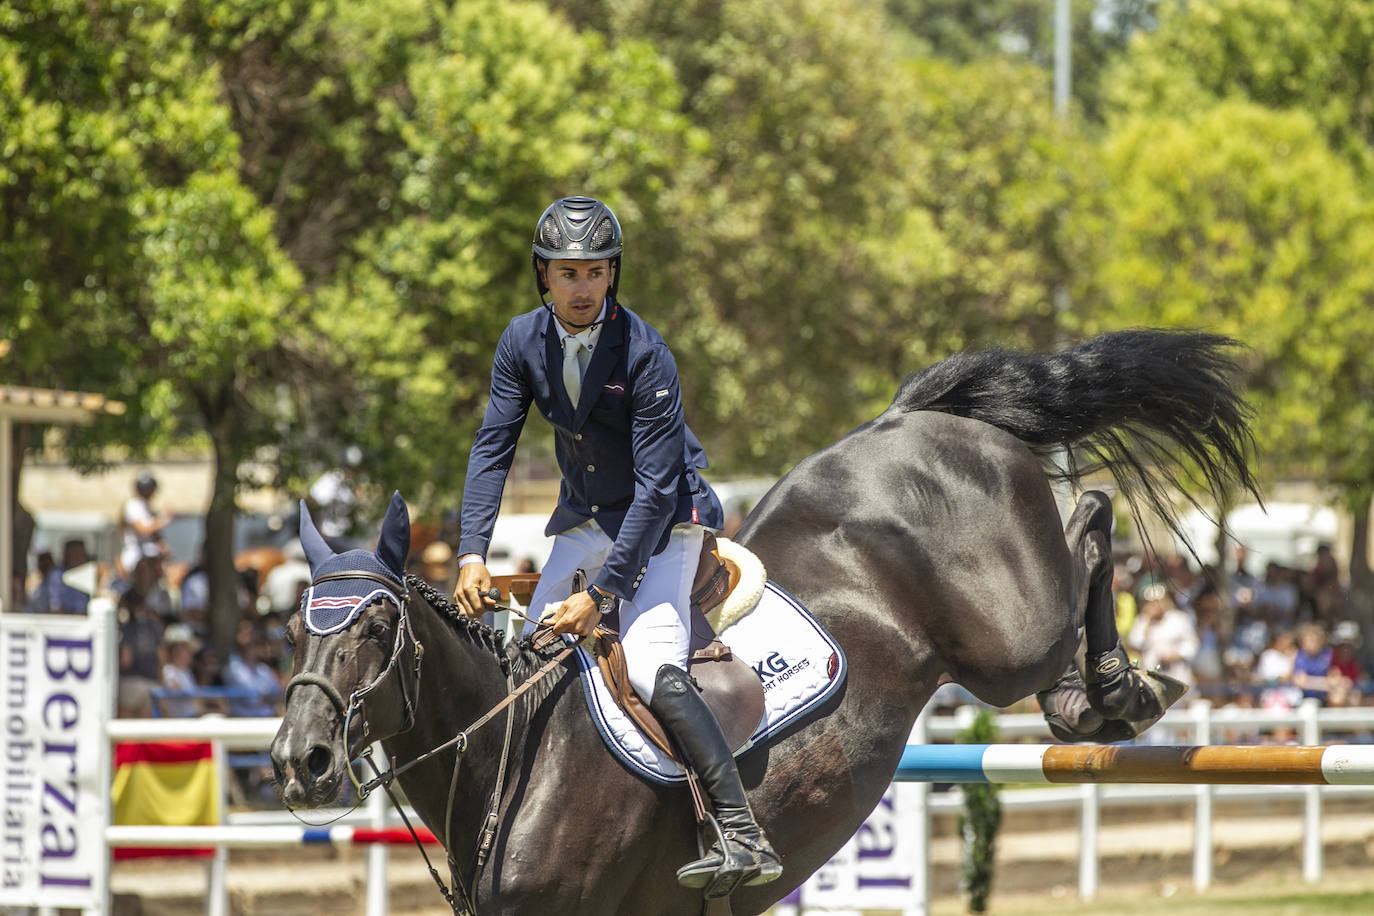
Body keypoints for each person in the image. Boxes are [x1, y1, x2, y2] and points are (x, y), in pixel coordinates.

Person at [453, 197, 779, 898]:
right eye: (567, 272)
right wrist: (470, 553)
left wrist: (600, 600)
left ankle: (737, 828)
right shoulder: (520, 342)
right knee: (530, 659)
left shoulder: (644, 350)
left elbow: (659, 489)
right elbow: (492, 450)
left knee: (653, 660)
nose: (581, 288)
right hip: (586, 515)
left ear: (612, 275)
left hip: (665, 521)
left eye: (595, 273)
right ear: (544, 276)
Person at [120, 471, 172, 580]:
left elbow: (154, 534)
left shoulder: (146, 507)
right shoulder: (133, 505)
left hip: (151, 555)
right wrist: (163, 519)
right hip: (136, 556)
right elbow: (142, 529)